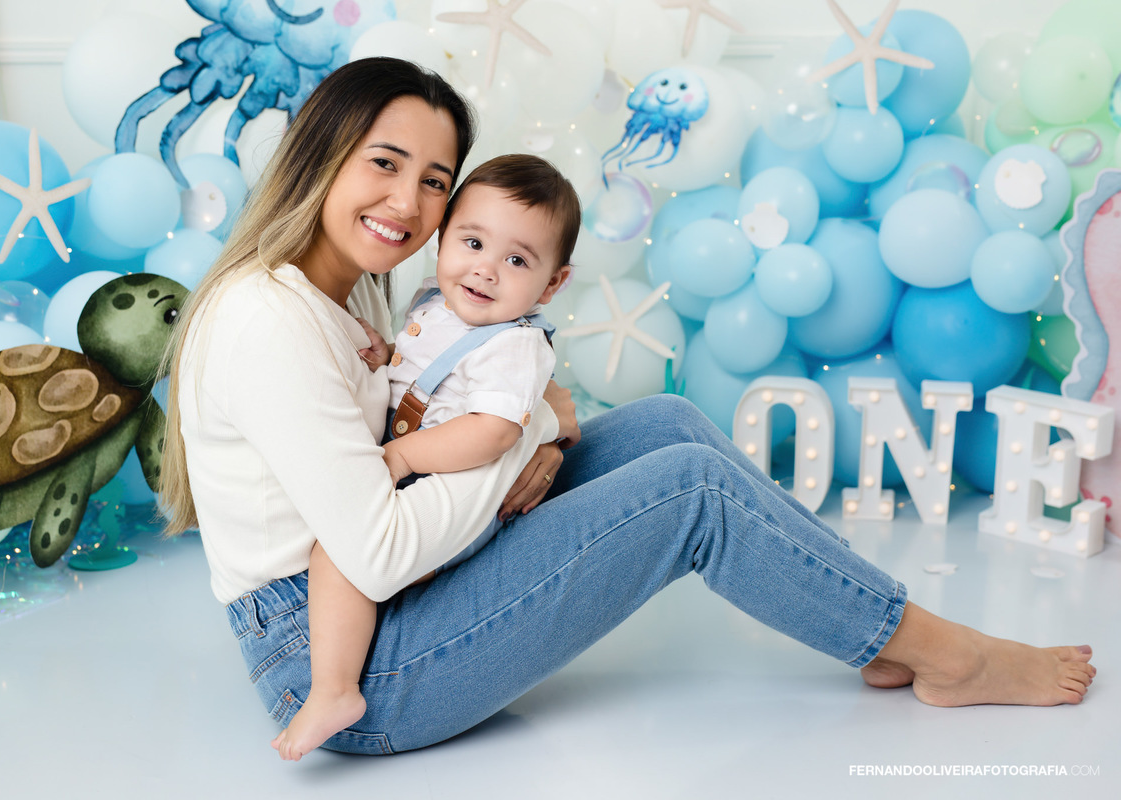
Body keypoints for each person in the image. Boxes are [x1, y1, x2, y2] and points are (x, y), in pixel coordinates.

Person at [160, 57, 1095, 760]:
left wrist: (529, 427)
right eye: (385, 163)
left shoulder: (356, 286)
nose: (408, 203)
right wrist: (524, 434)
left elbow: (449, 412)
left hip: (392, 591)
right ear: (322, 154)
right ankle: (947, 655)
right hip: (351, 661)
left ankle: (879, 630)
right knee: (690, 492)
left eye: (435, 180)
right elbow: (376, 551)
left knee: (669, 425)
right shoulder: (265, 321)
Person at [271, 154, 579, 760]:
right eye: (473, 243)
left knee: (339, 556)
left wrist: (404, 455)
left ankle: (334, 691)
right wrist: (386, 357)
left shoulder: (514, 346)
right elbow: (428, 374)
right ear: (443, 239)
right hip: (423, 478)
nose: (486, 270)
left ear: (550, 285)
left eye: (517, 261)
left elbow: (493, 431)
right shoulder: (433, 304)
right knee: (357, 561)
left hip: (449, 489)